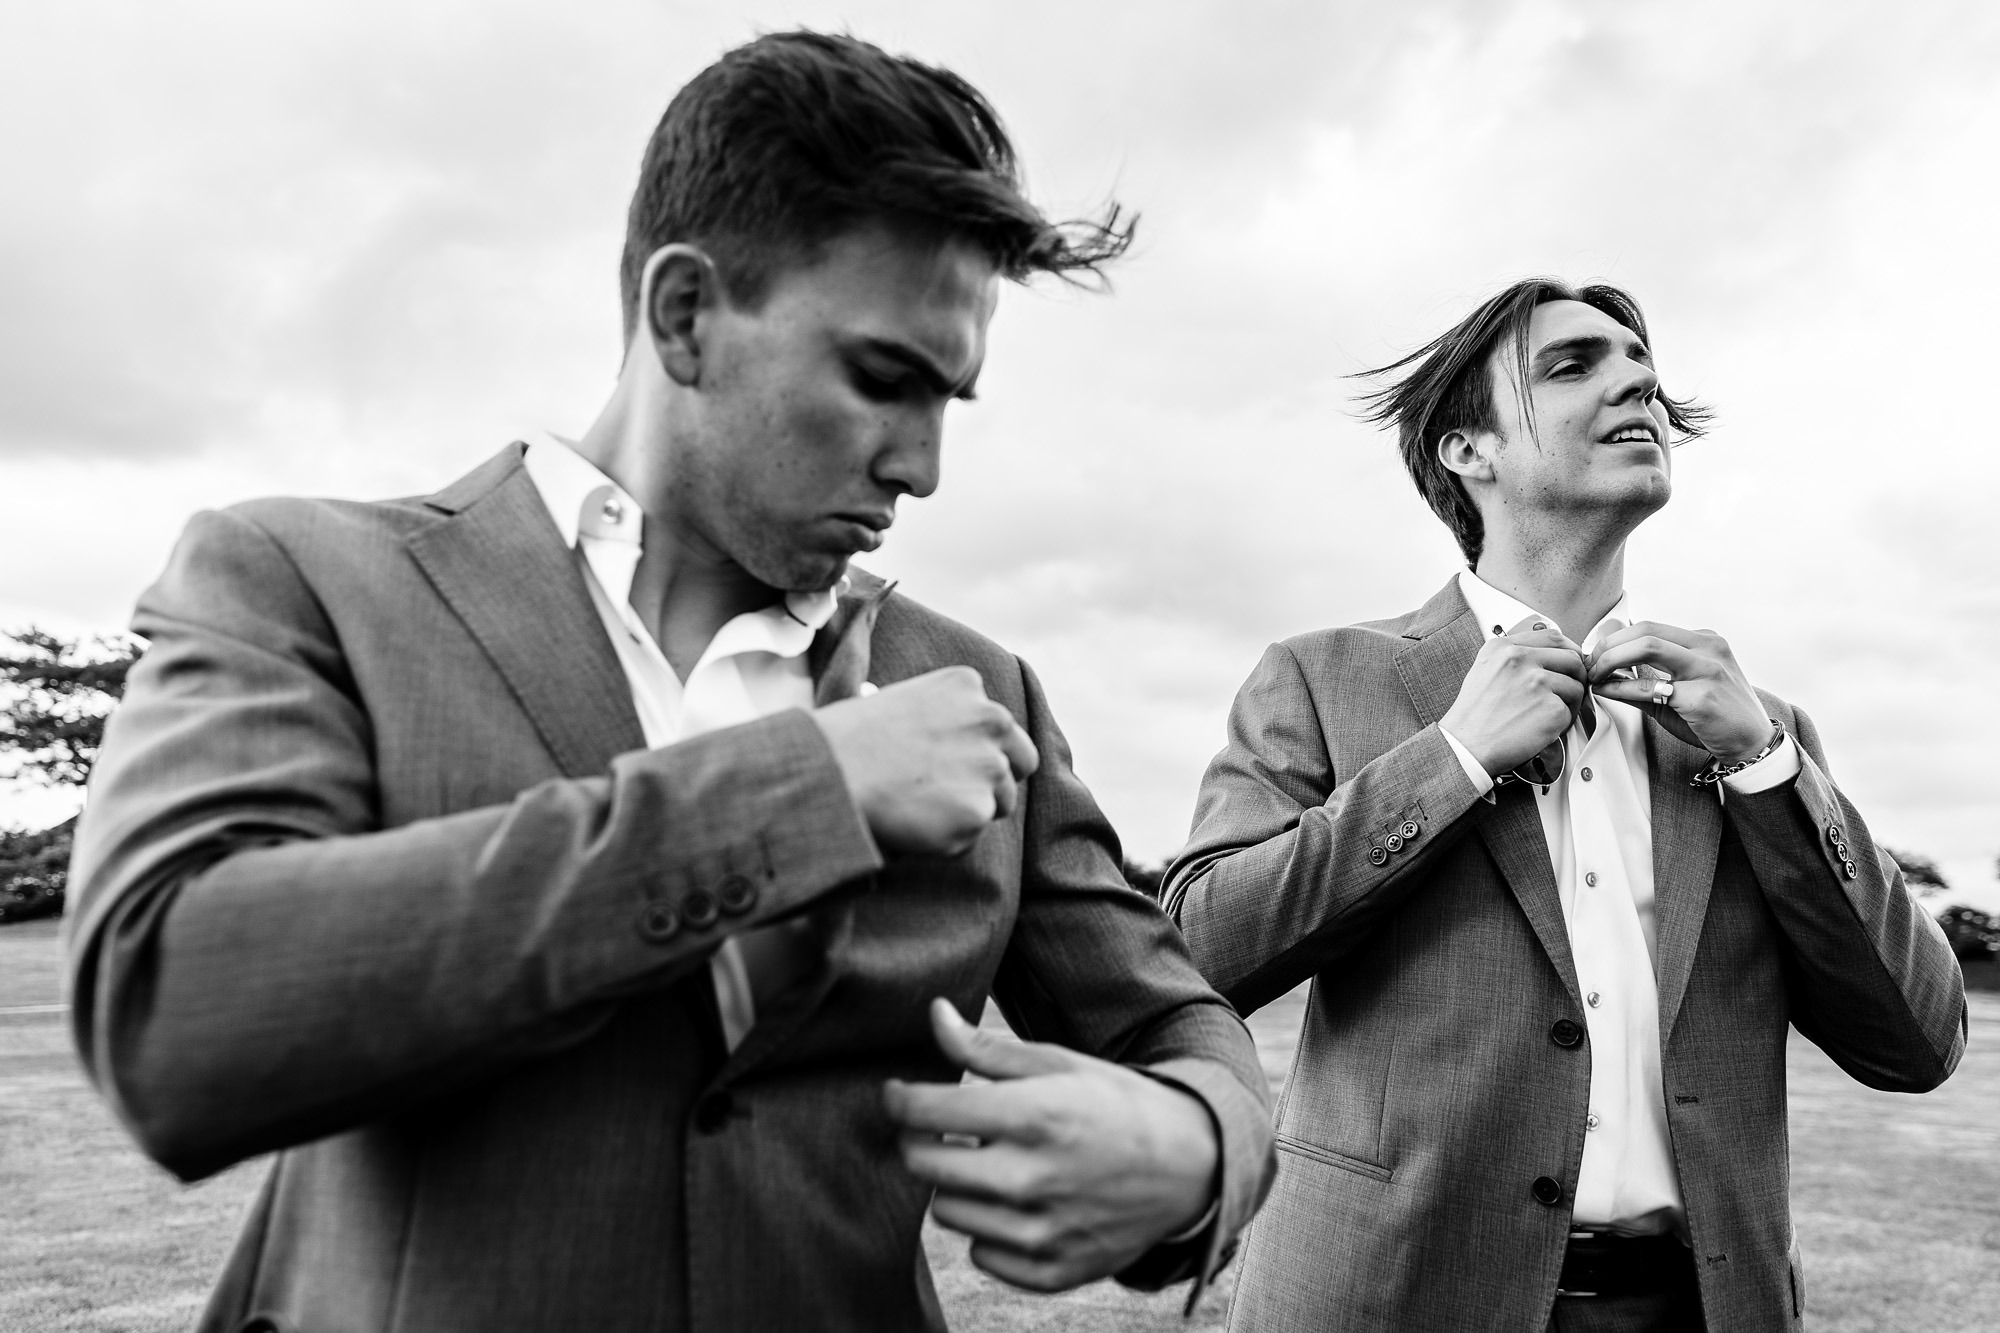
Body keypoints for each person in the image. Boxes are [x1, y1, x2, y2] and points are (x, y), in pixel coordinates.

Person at [66, 31, 1273, 1333]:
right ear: (684, 312)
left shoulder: (981, 687)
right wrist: (792, 796)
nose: (922, 468)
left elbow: (1180, 1025)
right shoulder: (304, 579)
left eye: (952, 403)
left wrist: (1200, 1146)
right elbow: (175, 1019)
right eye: (883, 380)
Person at [1163, 277, 1964, 1332]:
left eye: (1640, 365)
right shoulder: (1318, 678)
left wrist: (1766, 764)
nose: (1635, 377)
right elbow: (1190, 954)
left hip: (1699, 1304)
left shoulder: (1754, 729)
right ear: (1467, 450)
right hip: (1386, 1295)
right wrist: (1450, 758)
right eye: (1573, 364)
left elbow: (1915, 1041)